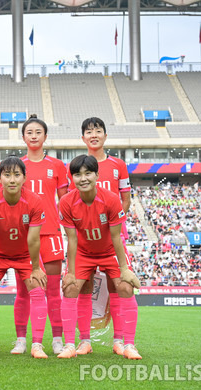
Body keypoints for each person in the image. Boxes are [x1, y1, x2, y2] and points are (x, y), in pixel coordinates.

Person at [58, 155, 141, 360]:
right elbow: (72, 239)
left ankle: (125, 343)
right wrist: (70, 272)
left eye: (88, 173)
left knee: (125, 287)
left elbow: (116, 236)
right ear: (72, 178)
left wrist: (124, 268)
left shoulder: (111, 199)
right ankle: (76, 343)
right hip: (83, 253)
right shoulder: (66, 202)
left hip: (109, 252)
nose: (83, 178)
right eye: (77, 174)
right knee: (71, 288)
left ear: (97, 175)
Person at [68, 117, 132, 356]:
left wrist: (114, 223)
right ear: (83, 137)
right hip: (85, 237)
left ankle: (119, 340)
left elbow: (125, 198)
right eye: (88, 131)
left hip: (113, 235)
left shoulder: (118, 165)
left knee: (118, 286)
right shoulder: (76, 166)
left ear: (105, 135)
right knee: (83, 286)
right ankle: (84, 341)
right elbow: (71, 200)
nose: (93, 134)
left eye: (98, 130)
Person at [0, 156, 49, 358]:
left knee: (37, 290)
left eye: (17, 175)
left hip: (25, 254)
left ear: (25, 178)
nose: (12, 180)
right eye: (7, 175)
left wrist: (35, 268)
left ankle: (36, 345)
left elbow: (34, 240)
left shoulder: (34, 201)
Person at [11, 115, 68, 355]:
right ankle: (22, 339)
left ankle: (56, 339)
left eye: (38, 132)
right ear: (23, 137)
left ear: (45, 136)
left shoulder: (57, 166)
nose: (33, 136)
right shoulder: (16, 166)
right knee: (24, 291)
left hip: (50, 234)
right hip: (24, 237)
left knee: (53, 291)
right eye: (29, 132)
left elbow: (66, 201)